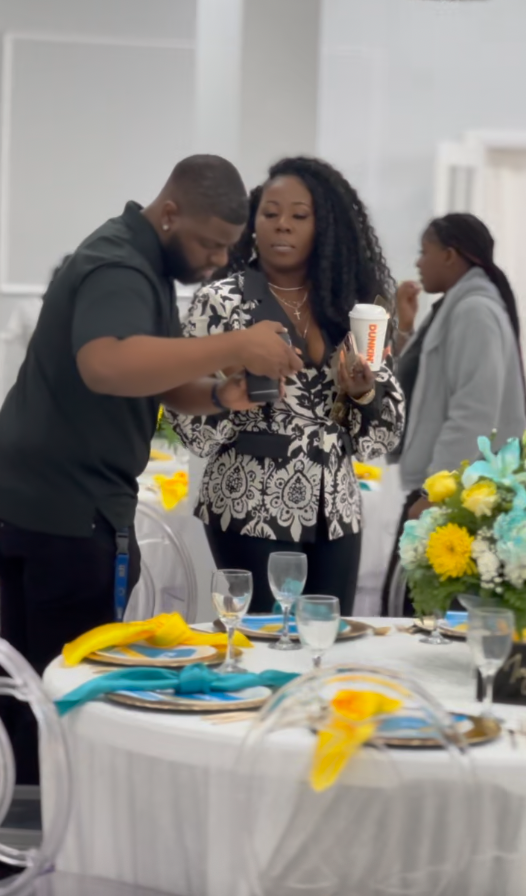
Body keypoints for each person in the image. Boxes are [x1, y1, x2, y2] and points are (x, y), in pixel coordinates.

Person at [0, 154, 302, 783]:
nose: (218, 261)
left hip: (34, 505)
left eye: (226, 249)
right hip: (70, 521)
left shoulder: (138, 262)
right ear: (170, 213)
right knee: (66, 697)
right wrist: (236, 344)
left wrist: (221, 394)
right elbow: (106, 366)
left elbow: (152, 380)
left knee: (24, 692)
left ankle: (25, 825)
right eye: (211, 244)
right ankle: (53, 840)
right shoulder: (120, 264)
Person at [171, 156, 405, 613]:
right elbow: (191, 429)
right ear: (252, 222)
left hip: (336, 510)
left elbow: (382, 437)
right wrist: (233, 385)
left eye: (299, 215)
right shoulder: (221, 303)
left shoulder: (355, 309)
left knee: (324, 642)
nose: (282, 225)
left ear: (327, 227)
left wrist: (362, 392)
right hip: (248, 505)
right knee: (261, 643)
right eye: (270, 213)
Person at [382, 212, 526, 614]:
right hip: (451, 486)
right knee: (410, 610)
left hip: (453, 491)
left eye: (423, 252)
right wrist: (406, 328)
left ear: (450, 255)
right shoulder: (456, 307)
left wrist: (434, 492)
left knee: (418, 616)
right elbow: (422, 387)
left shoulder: (473, 311)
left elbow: (472, 415)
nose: (417, 263)